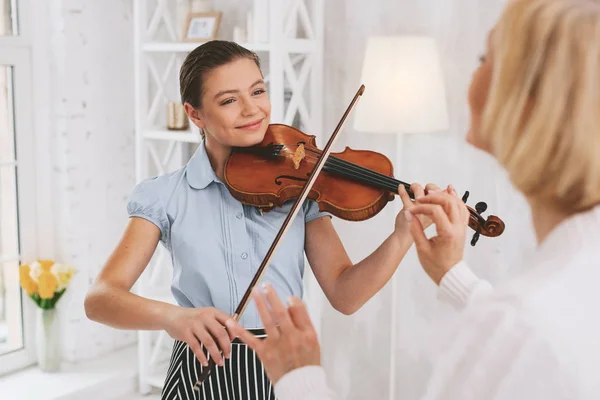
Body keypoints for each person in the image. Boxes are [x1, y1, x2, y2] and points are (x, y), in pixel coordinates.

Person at [225, 0, 600, 399]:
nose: (472, 73)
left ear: (527, 104)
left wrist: (299, 378)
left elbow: (520, 334)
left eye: (484, 57)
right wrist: (452, 273)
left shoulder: (520, 327)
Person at [83, 40, 443, 400]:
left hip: (286, 372)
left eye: (258, 91)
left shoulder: (300, 188)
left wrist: (402, 236)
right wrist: (174, 318)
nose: (252, 109)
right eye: (228, 100)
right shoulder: (164, 195)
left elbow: (345, 294)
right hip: (203, 372)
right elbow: (100, 298)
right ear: (195, 114)